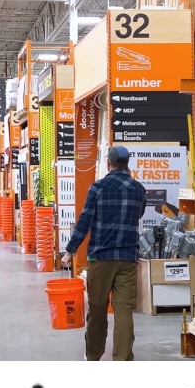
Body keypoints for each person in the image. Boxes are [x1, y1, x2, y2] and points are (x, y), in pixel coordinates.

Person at [61, 146, 146, 361]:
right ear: (127, 164)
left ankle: (93, 355)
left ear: (109, 163)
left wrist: (70, 250)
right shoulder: (138, 189)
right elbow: (139, 214)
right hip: (127, 258)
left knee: (97, 309)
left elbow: (85, 221)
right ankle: (122, 359)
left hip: (101, 258)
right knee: (124, 311)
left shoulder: (97, 188)